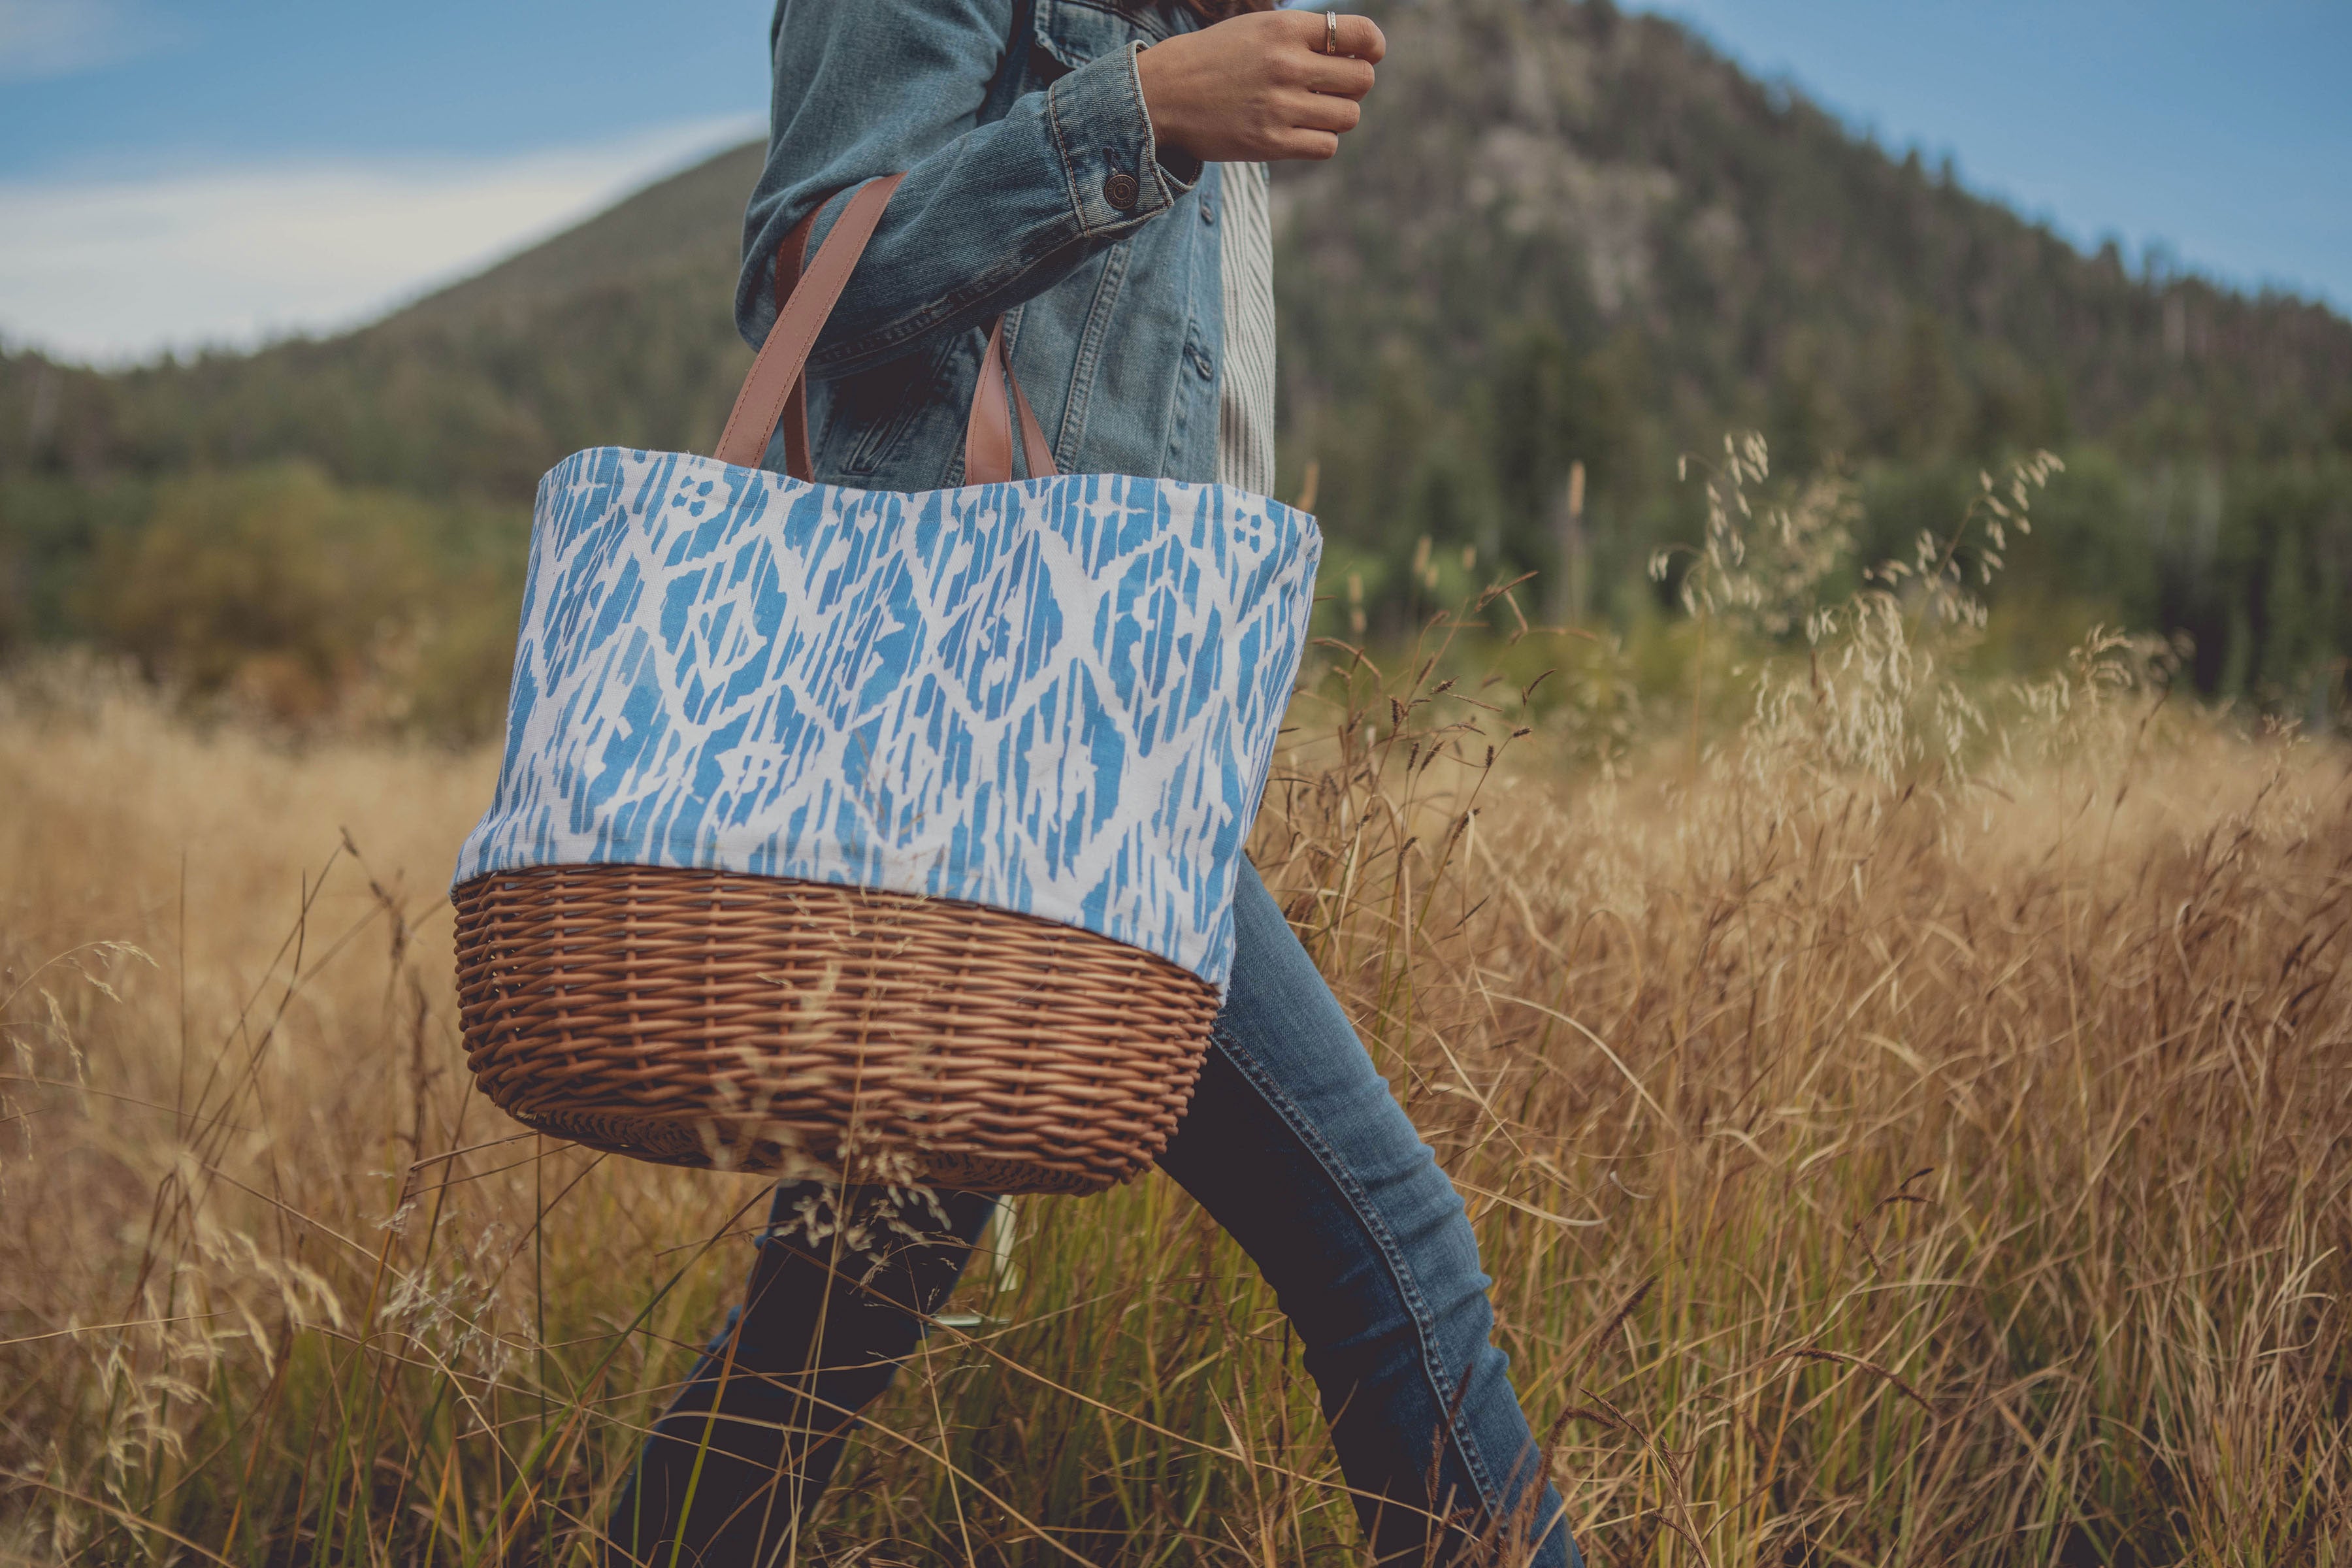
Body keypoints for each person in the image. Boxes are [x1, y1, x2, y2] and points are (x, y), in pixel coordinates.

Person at [606, 3, 1580, 1563]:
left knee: (850, 1295)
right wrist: (1136, 114)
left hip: (1113, 725)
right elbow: (809, 271)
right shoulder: (1149, 66)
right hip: (1005, 739)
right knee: (1391, 1250)